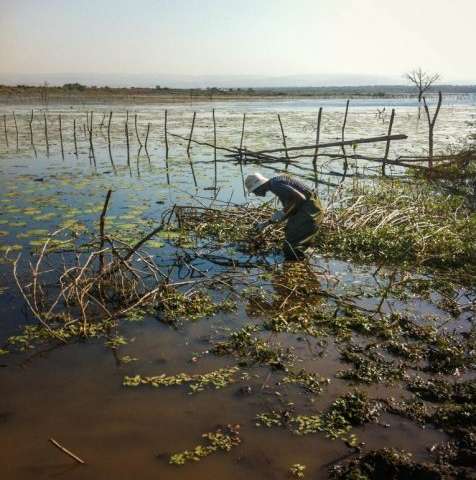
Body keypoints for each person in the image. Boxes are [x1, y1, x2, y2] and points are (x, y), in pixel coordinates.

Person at [245, 173, 323, 260]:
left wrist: (283, 212)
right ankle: (304, 262)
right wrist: (267, 223)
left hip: (310, 211)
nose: (255, 194)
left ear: (259, 186)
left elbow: (301, 198)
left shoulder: (276, 185)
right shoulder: (275, 183)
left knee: (290, 248)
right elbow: (293, 207)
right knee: (290, 233)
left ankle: (297, 264)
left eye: (254, 191)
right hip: (310, 209)